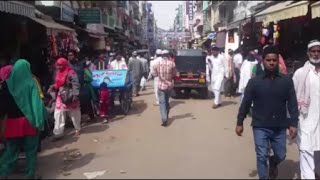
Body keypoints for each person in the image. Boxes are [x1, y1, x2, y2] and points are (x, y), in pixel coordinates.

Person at [236, 45, 299, 179]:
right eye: (268, 60)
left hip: (279, 126)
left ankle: (274, 162)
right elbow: (245, 103)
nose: (271, 63)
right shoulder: (254, 82)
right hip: (260, 125)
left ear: (277, 61)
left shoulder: (286, 81)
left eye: (274, 60)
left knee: (281, 155)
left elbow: (293, 104)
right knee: (261, 155)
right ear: (263, 61)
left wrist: (293, 123)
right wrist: (239, 122)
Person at [0, 59, 47, 179]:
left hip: (12, 123)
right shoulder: (30, 83)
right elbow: (36, 104)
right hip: (28, 122)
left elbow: (2, 106)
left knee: (11, 150)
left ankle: (3, 172)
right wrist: (39, 121)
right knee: (31, 150)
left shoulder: (7, 84)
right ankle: (30, 174)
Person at [292, 40, 320, 179]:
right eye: (313, 51)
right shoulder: (300, 73)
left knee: (318, 152)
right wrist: (291, 121)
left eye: (318, 51)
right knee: (306, 150)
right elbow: (292, 98)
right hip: (305, 119)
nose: (316, 54)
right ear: (308, 53)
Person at [51, 58, 81, 138]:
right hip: (61, 96)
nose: (58, 67)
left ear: (64, 64)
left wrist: (75, 95)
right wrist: (53, 87)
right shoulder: (57, 73)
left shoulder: (71, 72)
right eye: (58, 65)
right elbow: (57, 83)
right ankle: (58, 133)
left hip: (71, 95)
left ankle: (77, 129)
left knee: (74, 114)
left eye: (60, 65)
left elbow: (76, 84)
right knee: (58, 113)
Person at [151, 50, 177, 127]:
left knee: (162, 103)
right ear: (168, 55)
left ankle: (164, 118)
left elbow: (154, 74)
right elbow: (174, 74)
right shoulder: (172, 63)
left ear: (162, 56)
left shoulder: (156, 63)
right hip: (169, 86)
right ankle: (166, 116)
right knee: (167, 101)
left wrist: (159, 75)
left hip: (161, 86)